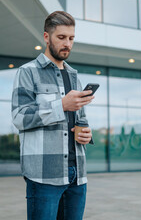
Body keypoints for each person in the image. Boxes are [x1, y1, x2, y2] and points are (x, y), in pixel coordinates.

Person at [11, 11, 94, 220]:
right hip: (44, 175)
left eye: (71, 38)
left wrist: (86, 135)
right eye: (61, 37)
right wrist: (61, 106)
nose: (67, 43)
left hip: (77, 176)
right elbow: (20, 117)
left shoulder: (74, 77)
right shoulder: (27, 72)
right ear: (46, 37)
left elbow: (80, 120)